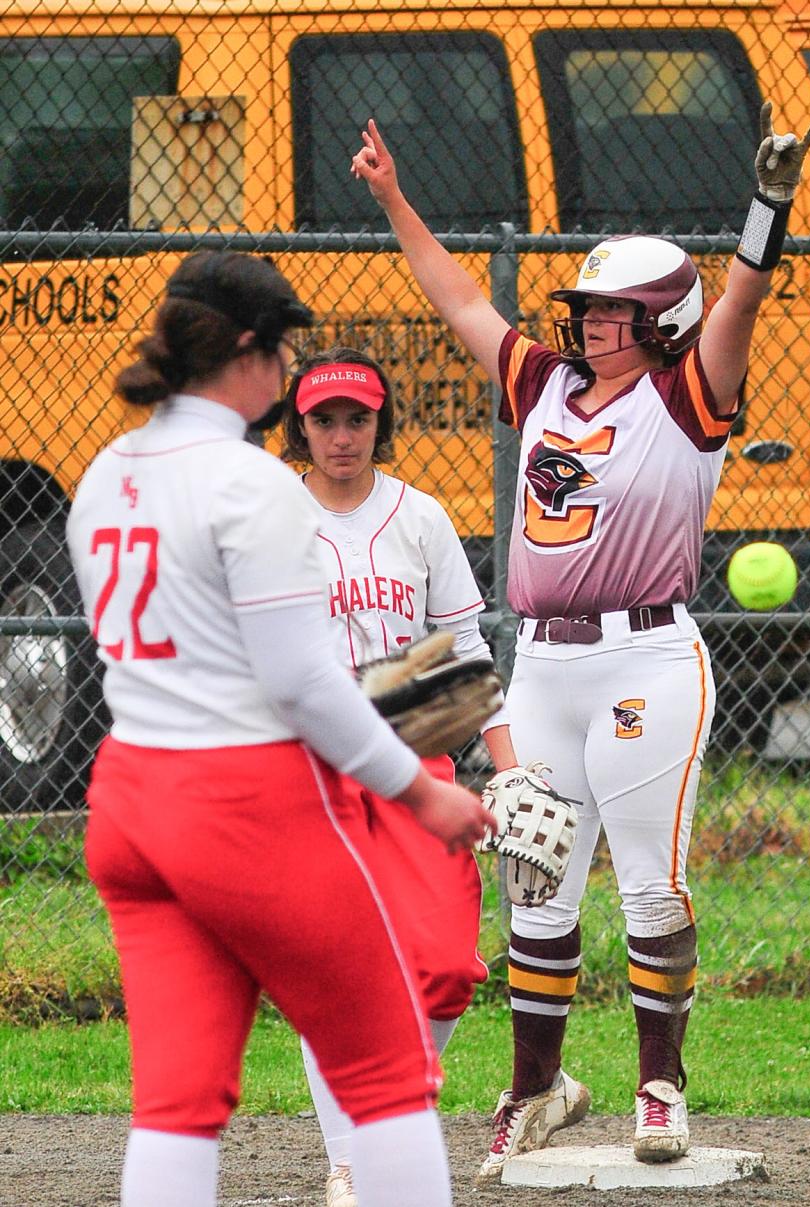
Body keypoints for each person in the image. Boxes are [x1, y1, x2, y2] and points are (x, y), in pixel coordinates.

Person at [350, 102, 810, 1180]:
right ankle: (535, 1089)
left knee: (649, 884)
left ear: (659, 320)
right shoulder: (546, 385)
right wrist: (394, 200)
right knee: (538, 890)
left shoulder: (688, 392)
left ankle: (662, 1085)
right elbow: (461, 295)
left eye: (612, 309)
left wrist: (767, 210)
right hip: (547, 664)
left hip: (647, 655)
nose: (588, 322)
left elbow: (743, 299)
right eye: (588, 306)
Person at [65, 249, 492, 1207]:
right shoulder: (251, 483)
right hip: (240, 799)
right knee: (388, 1073)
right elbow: (301, 682)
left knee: (176, 1103)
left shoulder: (107, 471)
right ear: (252, 354)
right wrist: (423, 789)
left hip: (130, 797)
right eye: (283, 346)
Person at [279, 345, 518, 1206]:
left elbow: (466, 655)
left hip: (419, 758)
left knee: (449, 965)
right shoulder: (271, 521)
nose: (342, 435)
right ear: (298, 426)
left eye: (358, 418)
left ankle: (392, 1102)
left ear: (382, 424)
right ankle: (351, 1156)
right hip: (311, 770)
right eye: (324, 419)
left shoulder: (420, 519)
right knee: (338, 967)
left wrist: (510, 776)